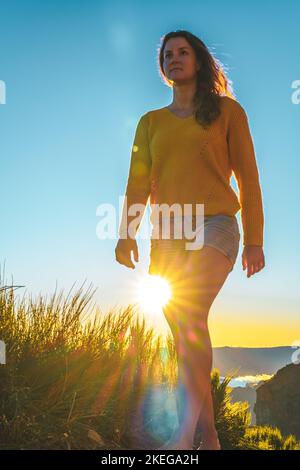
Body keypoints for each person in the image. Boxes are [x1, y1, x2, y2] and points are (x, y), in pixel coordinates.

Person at [115, 30, 265, 450]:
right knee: (185, 334)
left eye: (183, 52)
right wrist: (126, 234)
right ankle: (210, 436)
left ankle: (183, 437)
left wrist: (255, 239)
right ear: (162, 67)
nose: (174, 58)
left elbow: (249, 180)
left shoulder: (228, 112)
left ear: (198, 60)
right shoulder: (150, 123)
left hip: (215, 224)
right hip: (165, 236)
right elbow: (137, 184)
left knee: (191, 312)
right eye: (168, 54)